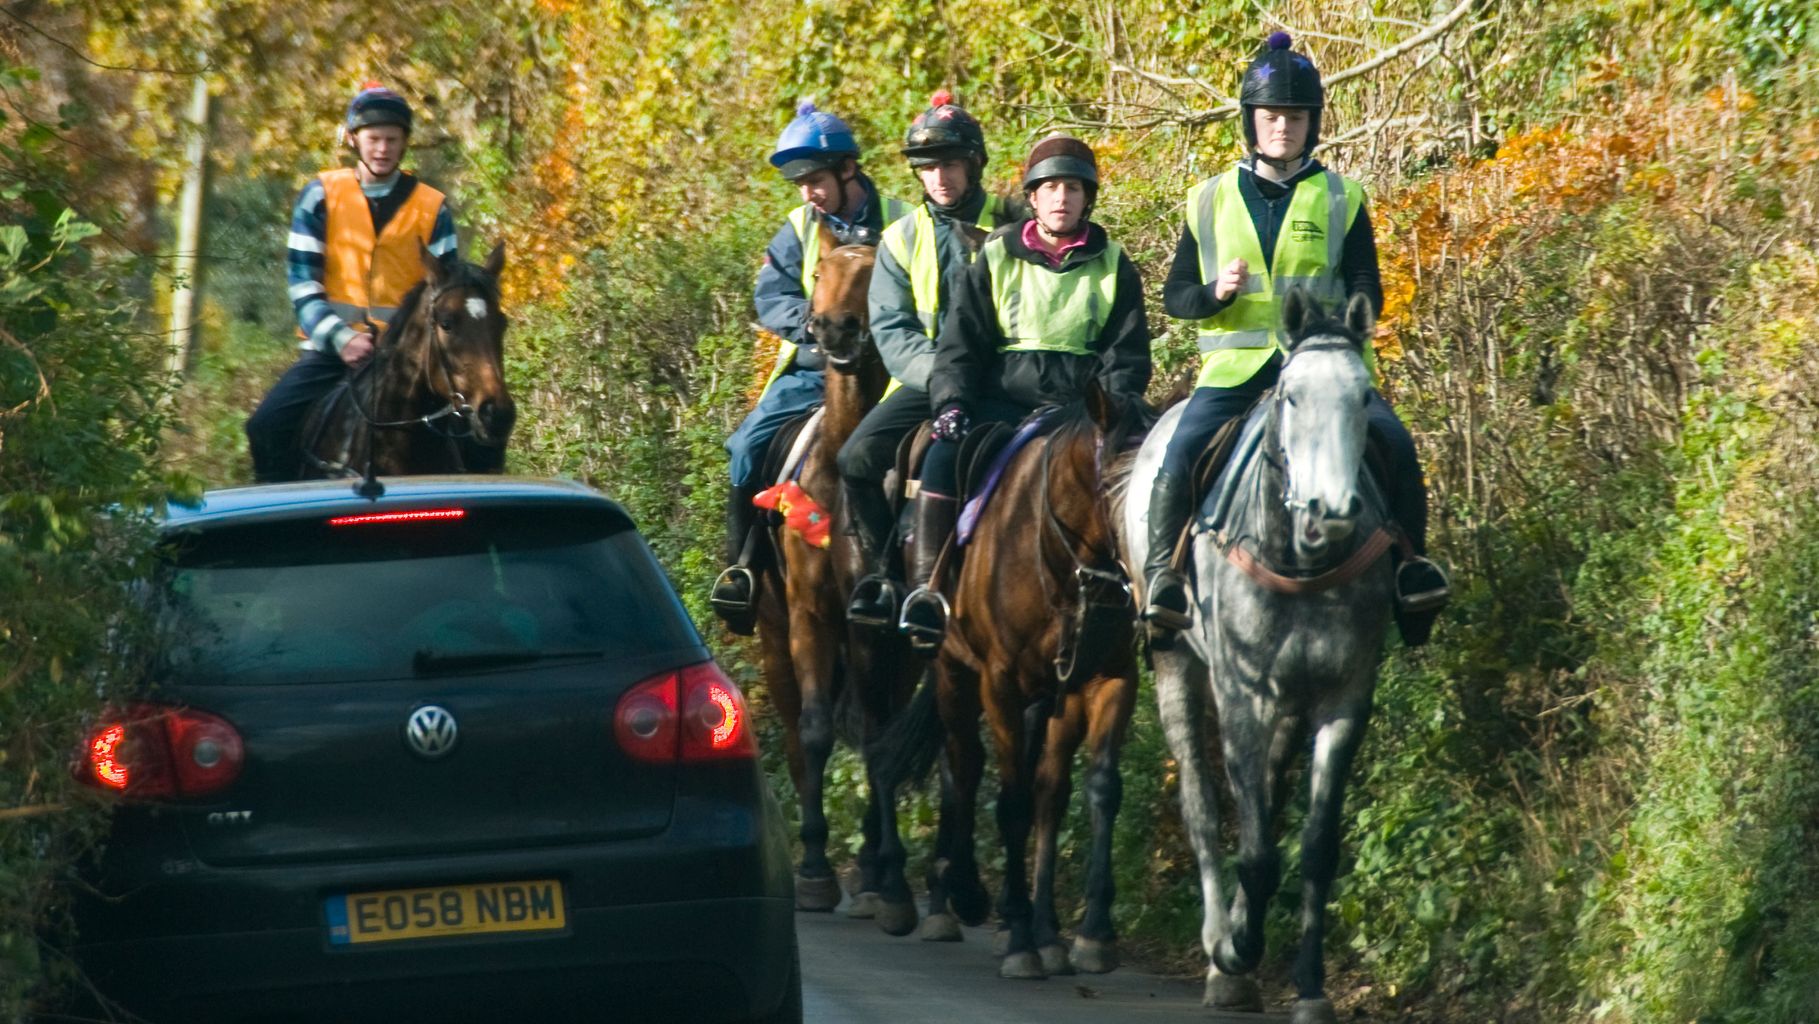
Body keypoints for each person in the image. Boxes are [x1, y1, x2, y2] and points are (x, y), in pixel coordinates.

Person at [1138, 33, 1450, 645]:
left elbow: (1367, 283)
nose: (1283, 126)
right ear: (1250, 121)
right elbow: (1176, 296)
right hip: (1235, 372)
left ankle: (1411, 573)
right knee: (1177, 454)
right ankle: (1163, 580)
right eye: (1271, 116)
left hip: (1324, 370)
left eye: (1296, 117)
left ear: (1313, 124)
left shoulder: (1342, 196)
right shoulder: (1207, 199)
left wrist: (1345, 326)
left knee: (1395, 445)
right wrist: (1214, 294)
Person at [897, 134, 1151, 649]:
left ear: (1088, 198)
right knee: (942, 457)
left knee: (1150, 468)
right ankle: (928, 592)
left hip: (1082, 411)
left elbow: (1127, 356)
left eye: (1074, 188)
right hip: (1004, 405)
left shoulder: (1115, 263)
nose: (1062, 198)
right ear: (1032, 198)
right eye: (1051, 187)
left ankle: (1148, 599)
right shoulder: (995, 256)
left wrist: (1109, 409)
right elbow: (960, 346)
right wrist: (950, 405)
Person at [710, 103, 910, 632]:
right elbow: (770, 296)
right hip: (812, 371)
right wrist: (815, 323)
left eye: (815, 180)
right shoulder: (798, 229)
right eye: (799, 184)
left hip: (889, 372)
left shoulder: (902, 221)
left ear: (848, 170)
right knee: (744, 446)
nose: (807, 193)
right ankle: (742, 570)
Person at [839, 91, 1013, 628]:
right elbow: (893, 332)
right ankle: (886, 580)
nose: (940, 177)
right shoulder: (899, 238)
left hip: (1007, 377)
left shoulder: (1016, 223)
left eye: (951, 164)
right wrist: (945, 381)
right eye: (929, 167)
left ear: (974, 163)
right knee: (856, 459)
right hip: (926, 382)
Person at [244, 82, 463, 482]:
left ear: (405, 143)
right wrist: (341, 338)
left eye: (392, 140)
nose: (383, 149)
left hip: (409, 362)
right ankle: (281, 525)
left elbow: (451, 293)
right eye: (374, 139)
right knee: (266, 426)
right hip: (329, 355)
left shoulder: (434, 207)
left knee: (473, 430)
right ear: (353, 140)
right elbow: (302, 283)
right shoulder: (320, 196)